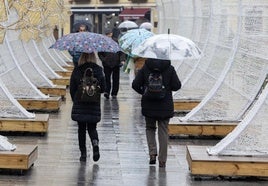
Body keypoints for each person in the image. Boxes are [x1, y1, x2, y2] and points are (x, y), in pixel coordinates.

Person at [132, 58, 181, 168]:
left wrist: (144, 91)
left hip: (149, 105)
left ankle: (152, 154)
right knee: (163, 131)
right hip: (165, 105)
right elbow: (177, 85)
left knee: (150, 128)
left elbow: (135, 84)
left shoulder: (146, 67)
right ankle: (162, 160)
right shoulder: (170, 68)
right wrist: (167, 88)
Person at [70, 52, 106, 162]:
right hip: (93, 103)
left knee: (81, 129)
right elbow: (103, 89)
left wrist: (75, 99)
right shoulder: (99, 70)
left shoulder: (77, 69)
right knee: (92, 127)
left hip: (80, 103)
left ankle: (83, 154)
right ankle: (95, 144)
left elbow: (72, 88)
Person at [98, 29, 126, 99]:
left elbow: (121, 52)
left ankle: (114, 93)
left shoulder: (116, 41)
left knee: (115, 79)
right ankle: (107, 92)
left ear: (111, 34)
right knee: (107, 79)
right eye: (107, 34)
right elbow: (100, 53)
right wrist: (103, 60)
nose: (108, 35)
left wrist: (122, 60)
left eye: (109, 34)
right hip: (107, 64)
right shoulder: (103, 43)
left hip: (116, 63)